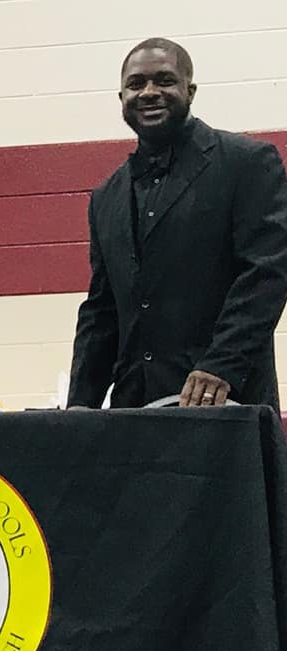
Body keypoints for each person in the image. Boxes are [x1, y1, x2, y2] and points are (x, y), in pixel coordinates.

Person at [69, 37, 287, 409]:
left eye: (164, 80)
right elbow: (102, 311)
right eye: (136, 84)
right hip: (133, 411)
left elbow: (267, 273)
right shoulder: (106, 196)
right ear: (120, 98)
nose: (149, 92)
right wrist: (79, 406)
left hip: (225, 403)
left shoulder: (247, 163)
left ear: (191, 90)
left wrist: (221, 365)